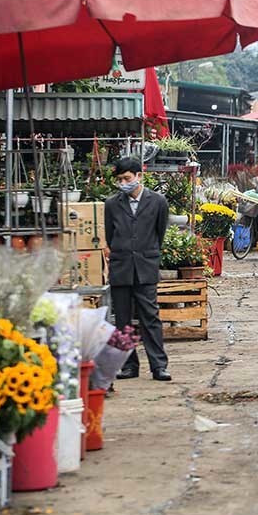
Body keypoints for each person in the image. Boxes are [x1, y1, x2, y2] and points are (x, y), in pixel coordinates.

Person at [105, 157, 172, 382]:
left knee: (150, 318)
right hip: (121, 267)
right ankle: (127, 365)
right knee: (122, 319)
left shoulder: (158, 202)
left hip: (145, 266)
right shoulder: (112, 204)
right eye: (120, 179)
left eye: (127, 178)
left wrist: (147, 253)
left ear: (139, 176)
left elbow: (159, 233)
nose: (123, 183)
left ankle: (159, 365)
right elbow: (110, 235)